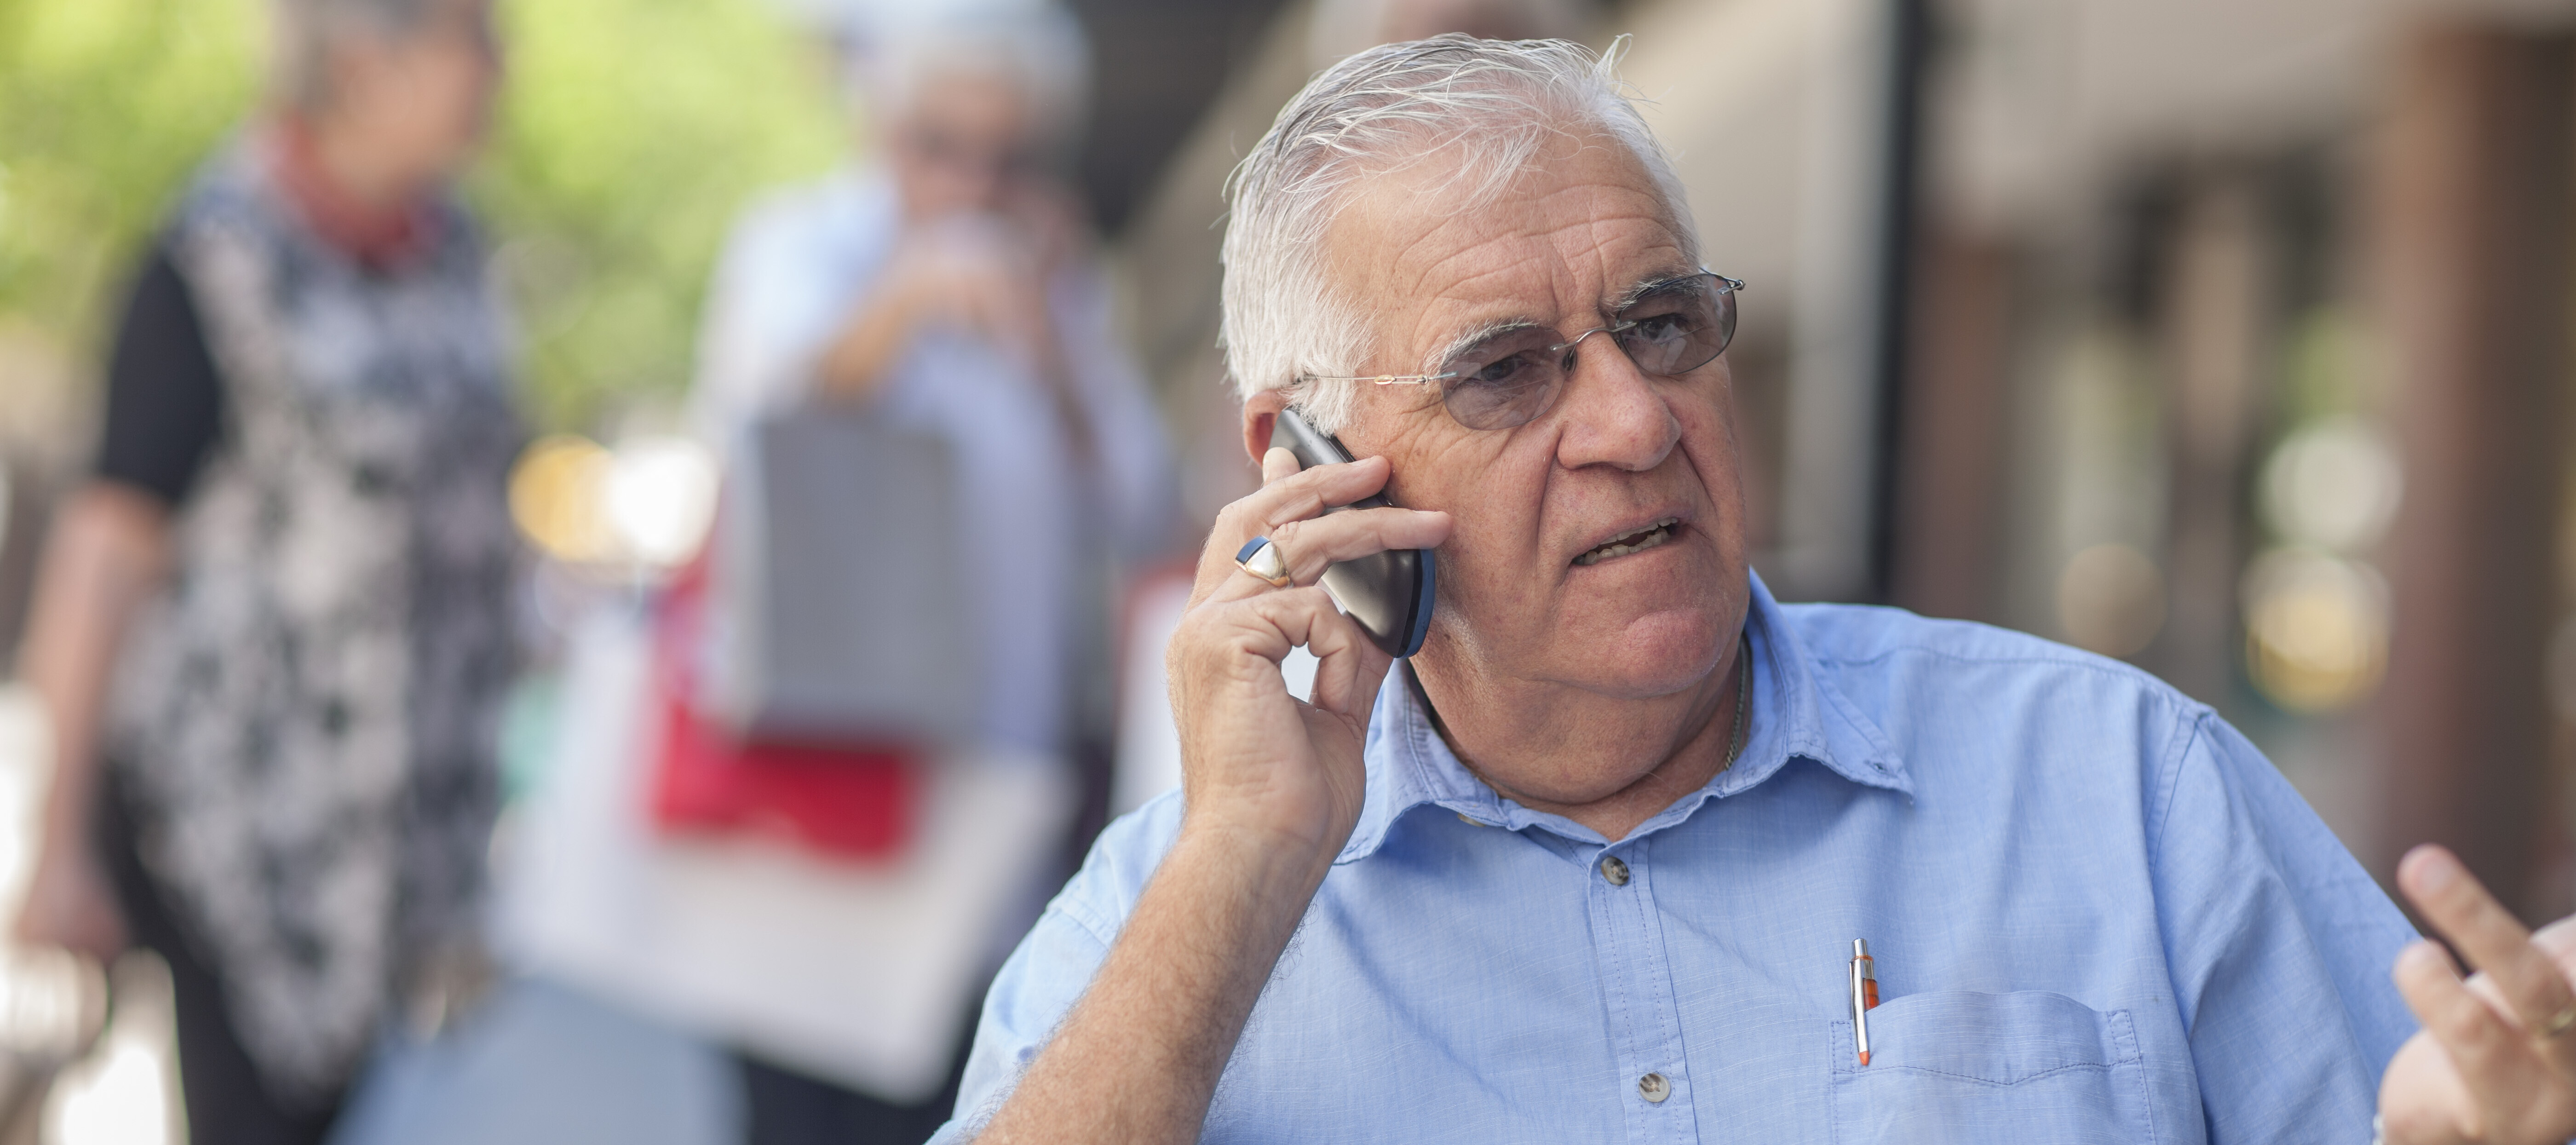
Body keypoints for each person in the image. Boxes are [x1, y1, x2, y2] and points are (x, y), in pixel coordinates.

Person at [925, 35, 2576, 1144]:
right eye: (1507, 373)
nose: (1637, 421)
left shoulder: (2121, 786)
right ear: (1306, 467)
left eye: (1661, 327)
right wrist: (1244, 866)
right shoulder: (1177, 910)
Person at [9, 0, 518, 1141]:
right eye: (469, 33)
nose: (498, 63)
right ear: (358, 59)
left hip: (404, 847)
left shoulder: (460, 252)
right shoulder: (217, 253)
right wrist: (57, 841)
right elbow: (105, 550)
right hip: (238, 827)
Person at [678, 6, 1175, 1143]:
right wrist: (903, 300)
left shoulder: (1058, 289)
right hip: (810, 809)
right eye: (941, 146)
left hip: (989, 822)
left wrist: (1050, 346)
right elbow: (767, 417)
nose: (973, 183)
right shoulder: (805, 243)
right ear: (885, 126)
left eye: (1009, 159)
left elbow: (1137, 499)